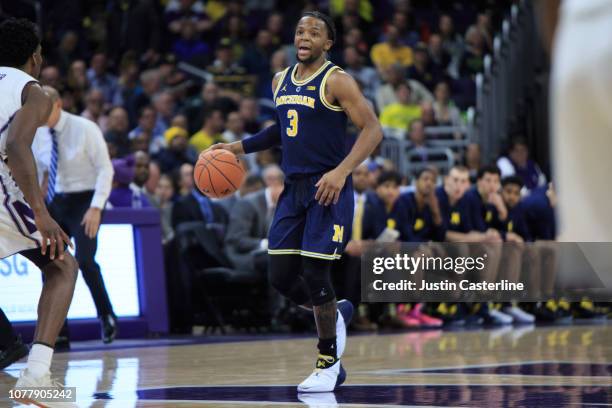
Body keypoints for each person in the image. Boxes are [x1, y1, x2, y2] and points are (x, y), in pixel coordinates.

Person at [208, 11, 382, 392]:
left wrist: (341, 172)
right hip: (293, 189)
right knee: (282, 278)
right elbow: (281, 130)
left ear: (327, 43)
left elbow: (373, 129)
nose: (304, 36)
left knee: (316, 272)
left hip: (327, 189)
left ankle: (327, 361)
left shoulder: (337, 81)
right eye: (300, 30)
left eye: (314, 32)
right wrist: (237, 147)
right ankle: (333, 314)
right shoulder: (280, 80)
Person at [0, 18, 79, 401]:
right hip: (3, 193)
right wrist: (41, 212)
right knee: (63, 264)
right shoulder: (33, 91)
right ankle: (35, 377)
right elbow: (16, 145)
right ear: (35, 58)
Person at [32, 85, 117, 345]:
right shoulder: (37, 134)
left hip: (85, 200)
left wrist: (96, 207)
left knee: (86, 260)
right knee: (49, 263)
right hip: (57, 201)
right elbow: (36, 171)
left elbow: (105, 169)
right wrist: (38, 207)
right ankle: (58, 330)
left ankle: (106, 316)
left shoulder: (85, 128)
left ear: (57, 105)